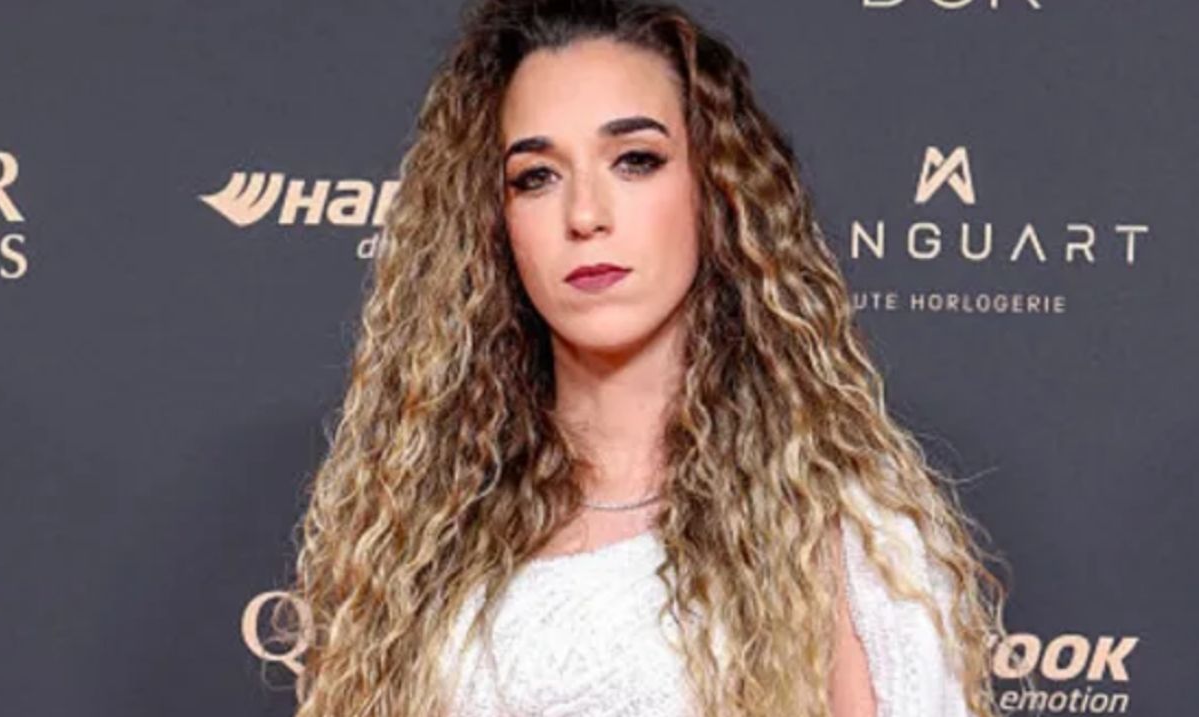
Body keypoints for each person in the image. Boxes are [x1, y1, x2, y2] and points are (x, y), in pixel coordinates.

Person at [279, 0, 1019, 715]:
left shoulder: (837, 532)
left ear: (715, 189)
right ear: (492, 222)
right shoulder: (419, 532)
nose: (585, 215)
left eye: (635, 160)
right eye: (536, 176)